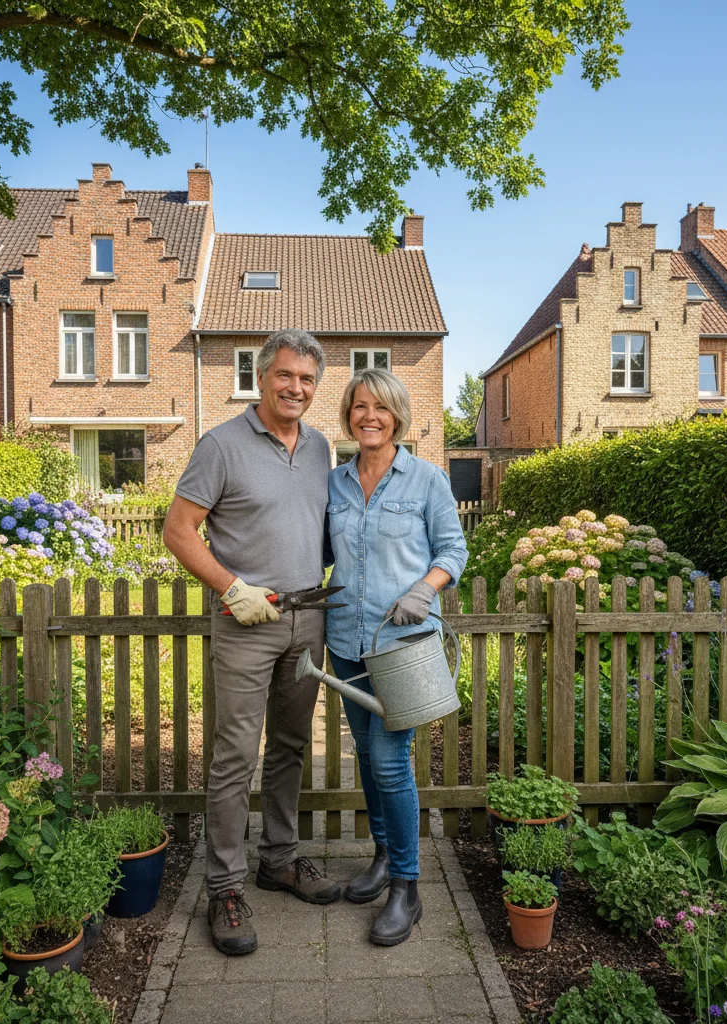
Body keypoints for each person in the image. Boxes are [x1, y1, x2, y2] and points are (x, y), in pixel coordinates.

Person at [163, 328, 341, 959]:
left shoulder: (322, 448)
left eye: (308, 380)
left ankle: (280, 860)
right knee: (236, 754)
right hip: (245, 624)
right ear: (262, 377)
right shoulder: (222, 446)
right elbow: (178, 531)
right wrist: (230, 586)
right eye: (286, 376)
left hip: (306, 621)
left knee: (291, 746)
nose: (296, 388)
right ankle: (225, 886)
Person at [323, 368, 468, 945]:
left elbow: (454, 549)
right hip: (345, 640)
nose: (369, 417)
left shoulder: (427, 480)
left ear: (398, 416)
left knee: (389, 762)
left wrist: (422, 589)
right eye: (360, 407)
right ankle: (384, 856)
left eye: (380, 408)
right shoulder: (334, 482)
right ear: (349, 415)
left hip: (403, 646)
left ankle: (407, 887)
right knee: (365, 754)